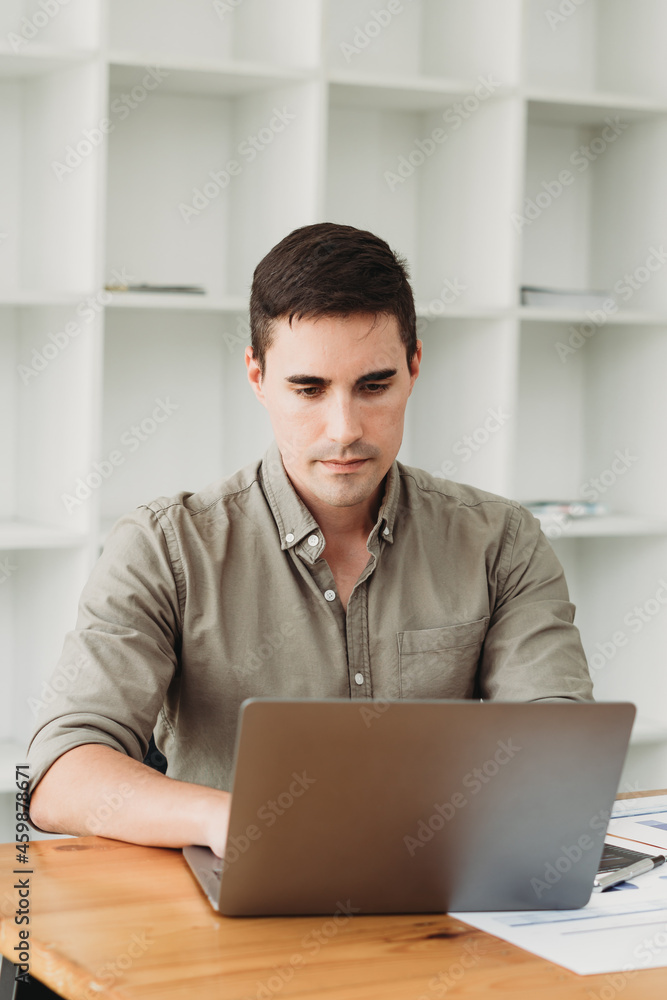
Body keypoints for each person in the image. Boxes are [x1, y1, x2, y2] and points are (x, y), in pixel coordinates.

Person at [27, 222, 593, 856]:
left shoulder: (502, 540)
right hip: (232, 904)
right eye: (308, 389)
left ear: (414, 368)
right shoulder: (165, 547)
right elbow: (60, 775)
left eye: (374, 386)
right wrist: (233, 822)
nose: (344, 429)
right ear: (257, 377)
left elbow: (559, 754)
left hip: (441, 899)